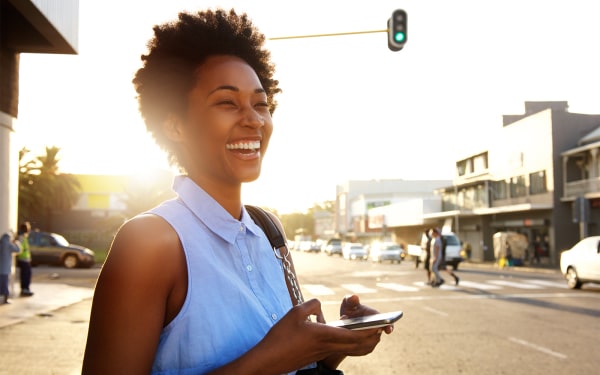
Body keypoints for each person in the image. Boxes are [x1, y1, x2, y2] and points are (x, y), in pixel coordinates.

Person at [82, 8, 393, 375]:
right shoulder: (149, 243)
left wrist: (332, 341)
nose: (253, 119)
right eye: (227, 102)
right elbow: (277, 358)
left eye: (261, 104)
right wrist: (272, 358)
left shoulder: (268, 229)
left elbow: (295, 361)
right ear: (175, 125)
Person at [0, 230, 21, 304]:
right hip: (5, 269)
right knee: (5, 284)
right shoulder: (9, 245)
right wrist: (16, 243)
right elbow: (18, 250)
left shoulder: (1, 244)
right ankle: (5, 299)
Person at [15, 221, 33, 297]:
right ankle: (25, 289)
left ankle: (26, 288)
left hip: (26, 259)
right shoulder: (21, 237)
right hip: (23, 259)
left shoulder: (24, 237)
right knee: (25, 275)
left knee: (27, 274)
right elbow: (19, 247)